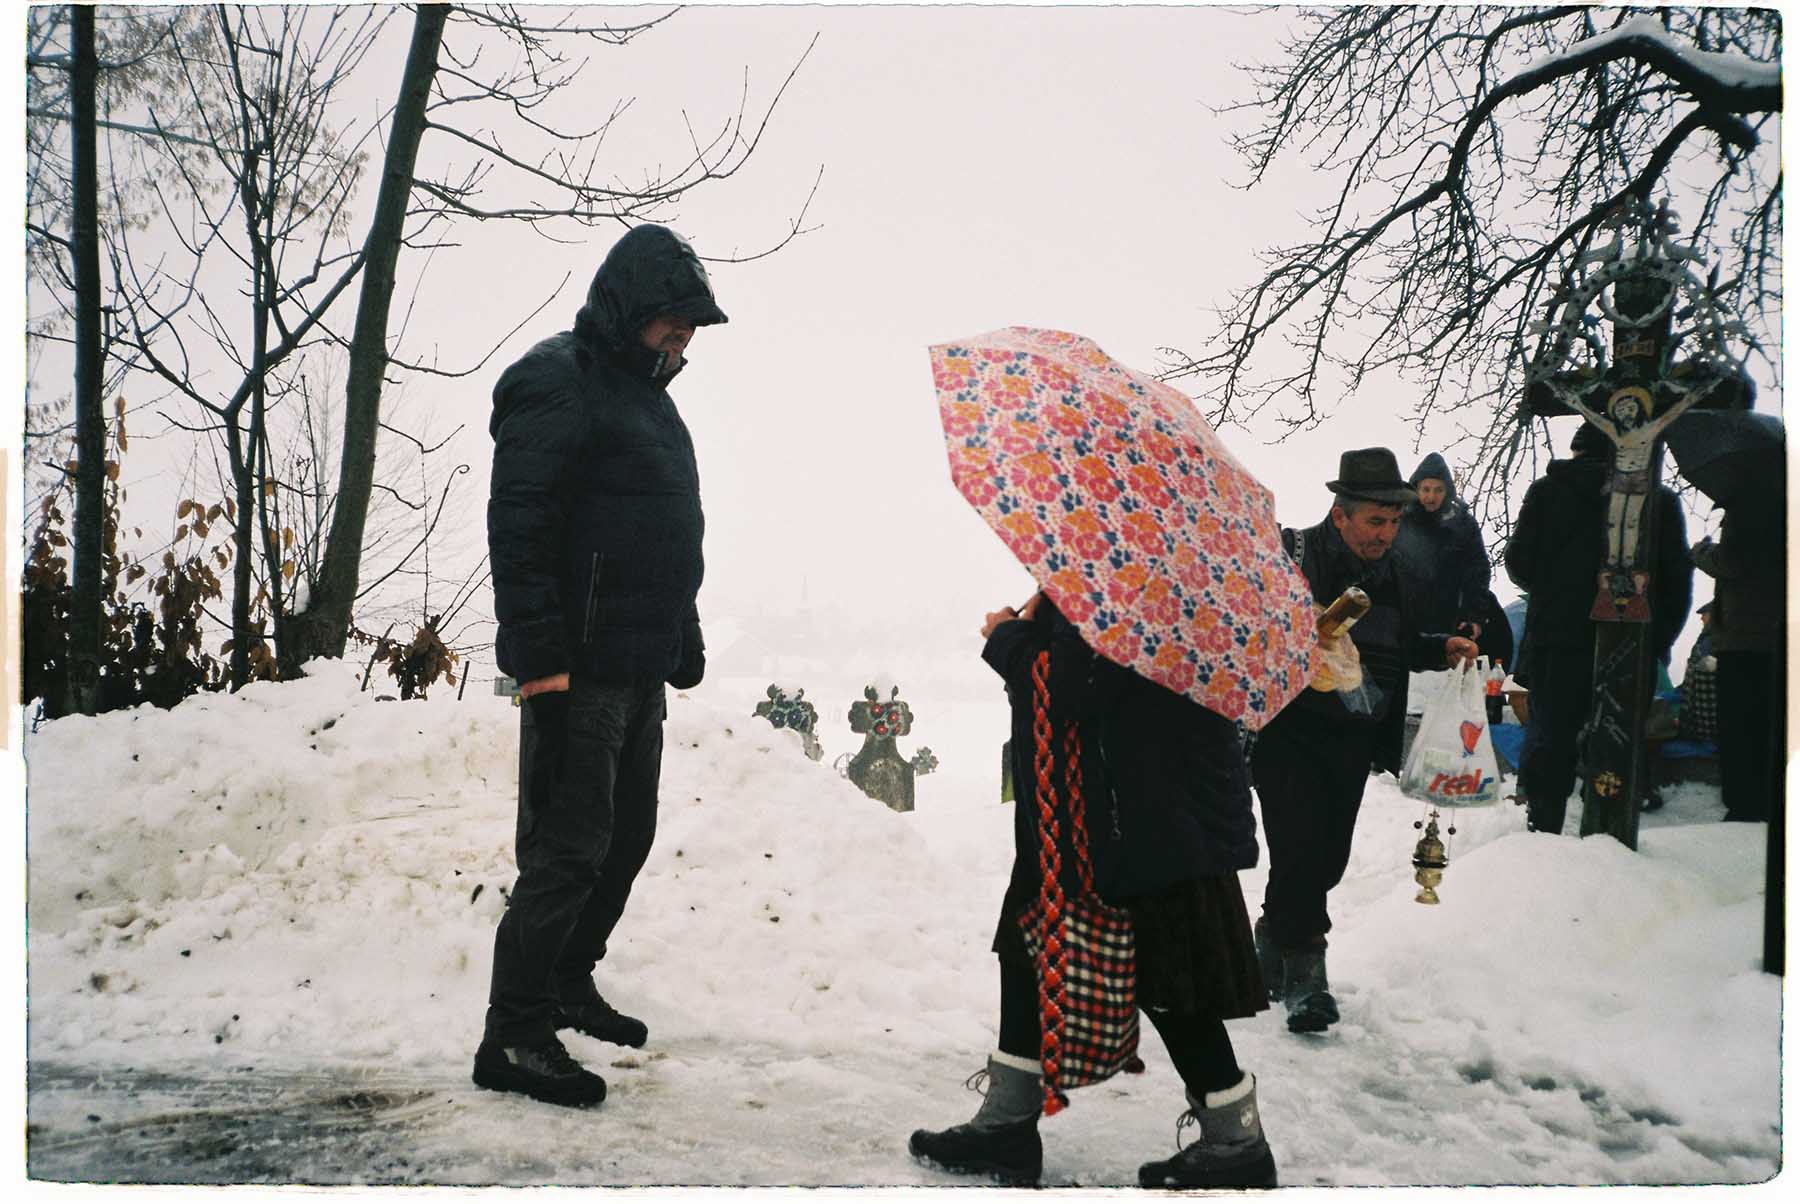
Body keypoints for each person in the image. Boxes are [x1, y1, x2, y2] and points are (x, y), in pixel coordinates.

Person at [474, 224, 726, 1107]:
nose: (683, 336)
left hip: (638, 664)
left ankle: (567, 981)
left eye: (692, 325)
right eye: (672, 319)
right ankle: (513, 1034)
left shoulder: (647, 398)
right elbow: (522, 527)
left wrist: (681, 632)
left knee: (626, 839)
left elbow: (661, 529)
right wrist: (538, 661)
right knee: (567, 851)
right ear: (628, 308)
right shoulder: (558, 380)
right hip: (576, 669)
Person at [909, 592, 1277, 1189]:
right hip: (1106, 815)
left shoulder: (1124, 583)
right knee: (1029, 949)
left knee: (1169, 981)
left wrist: (1006, 639)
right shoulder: (1132, 577)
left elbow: (1074, 687)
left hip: (1137, 821)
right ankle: (1006, 1125)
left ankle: (1236, 1142)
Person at [1250, 449, 1477, 1035]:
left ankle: (1268, 948)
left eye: (1394, 522)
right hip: (1288, 730)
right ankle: (1308, 976)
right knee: (1300, 848)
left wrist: (1439, 647)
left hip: (1355, 735)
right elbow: (1251, 627)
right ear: (1340, 514)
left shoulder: (1397, 573)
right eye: (1376, 521)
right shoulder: (1293, 556)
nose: (1386, 533)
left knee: (1325, 858)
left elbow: (1400, 643)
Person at [1504, 422, 1690, 836]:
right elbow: (1677, 585)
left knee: (1552, 740)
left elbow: (1519, 564)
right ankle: (1609, 839)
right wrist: (1654, 643)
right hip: (1631, 645)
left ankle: (1542, 833)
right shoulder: (1657, 499)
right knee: (1617, 745)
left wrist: (1555, 593)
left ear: (1578, 450)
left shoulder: (1547, 493)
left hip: (1559, 642)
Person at [1693, 499, 1785, 823]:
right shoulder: (1783, 506)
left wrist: (1701, 552)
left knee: (1738, 727)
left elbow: (1731, 562)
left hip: (1742, 636)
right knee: (1766, 723)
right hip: (1776, 634)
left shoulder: (1748, 509)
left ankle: (1743, 805)